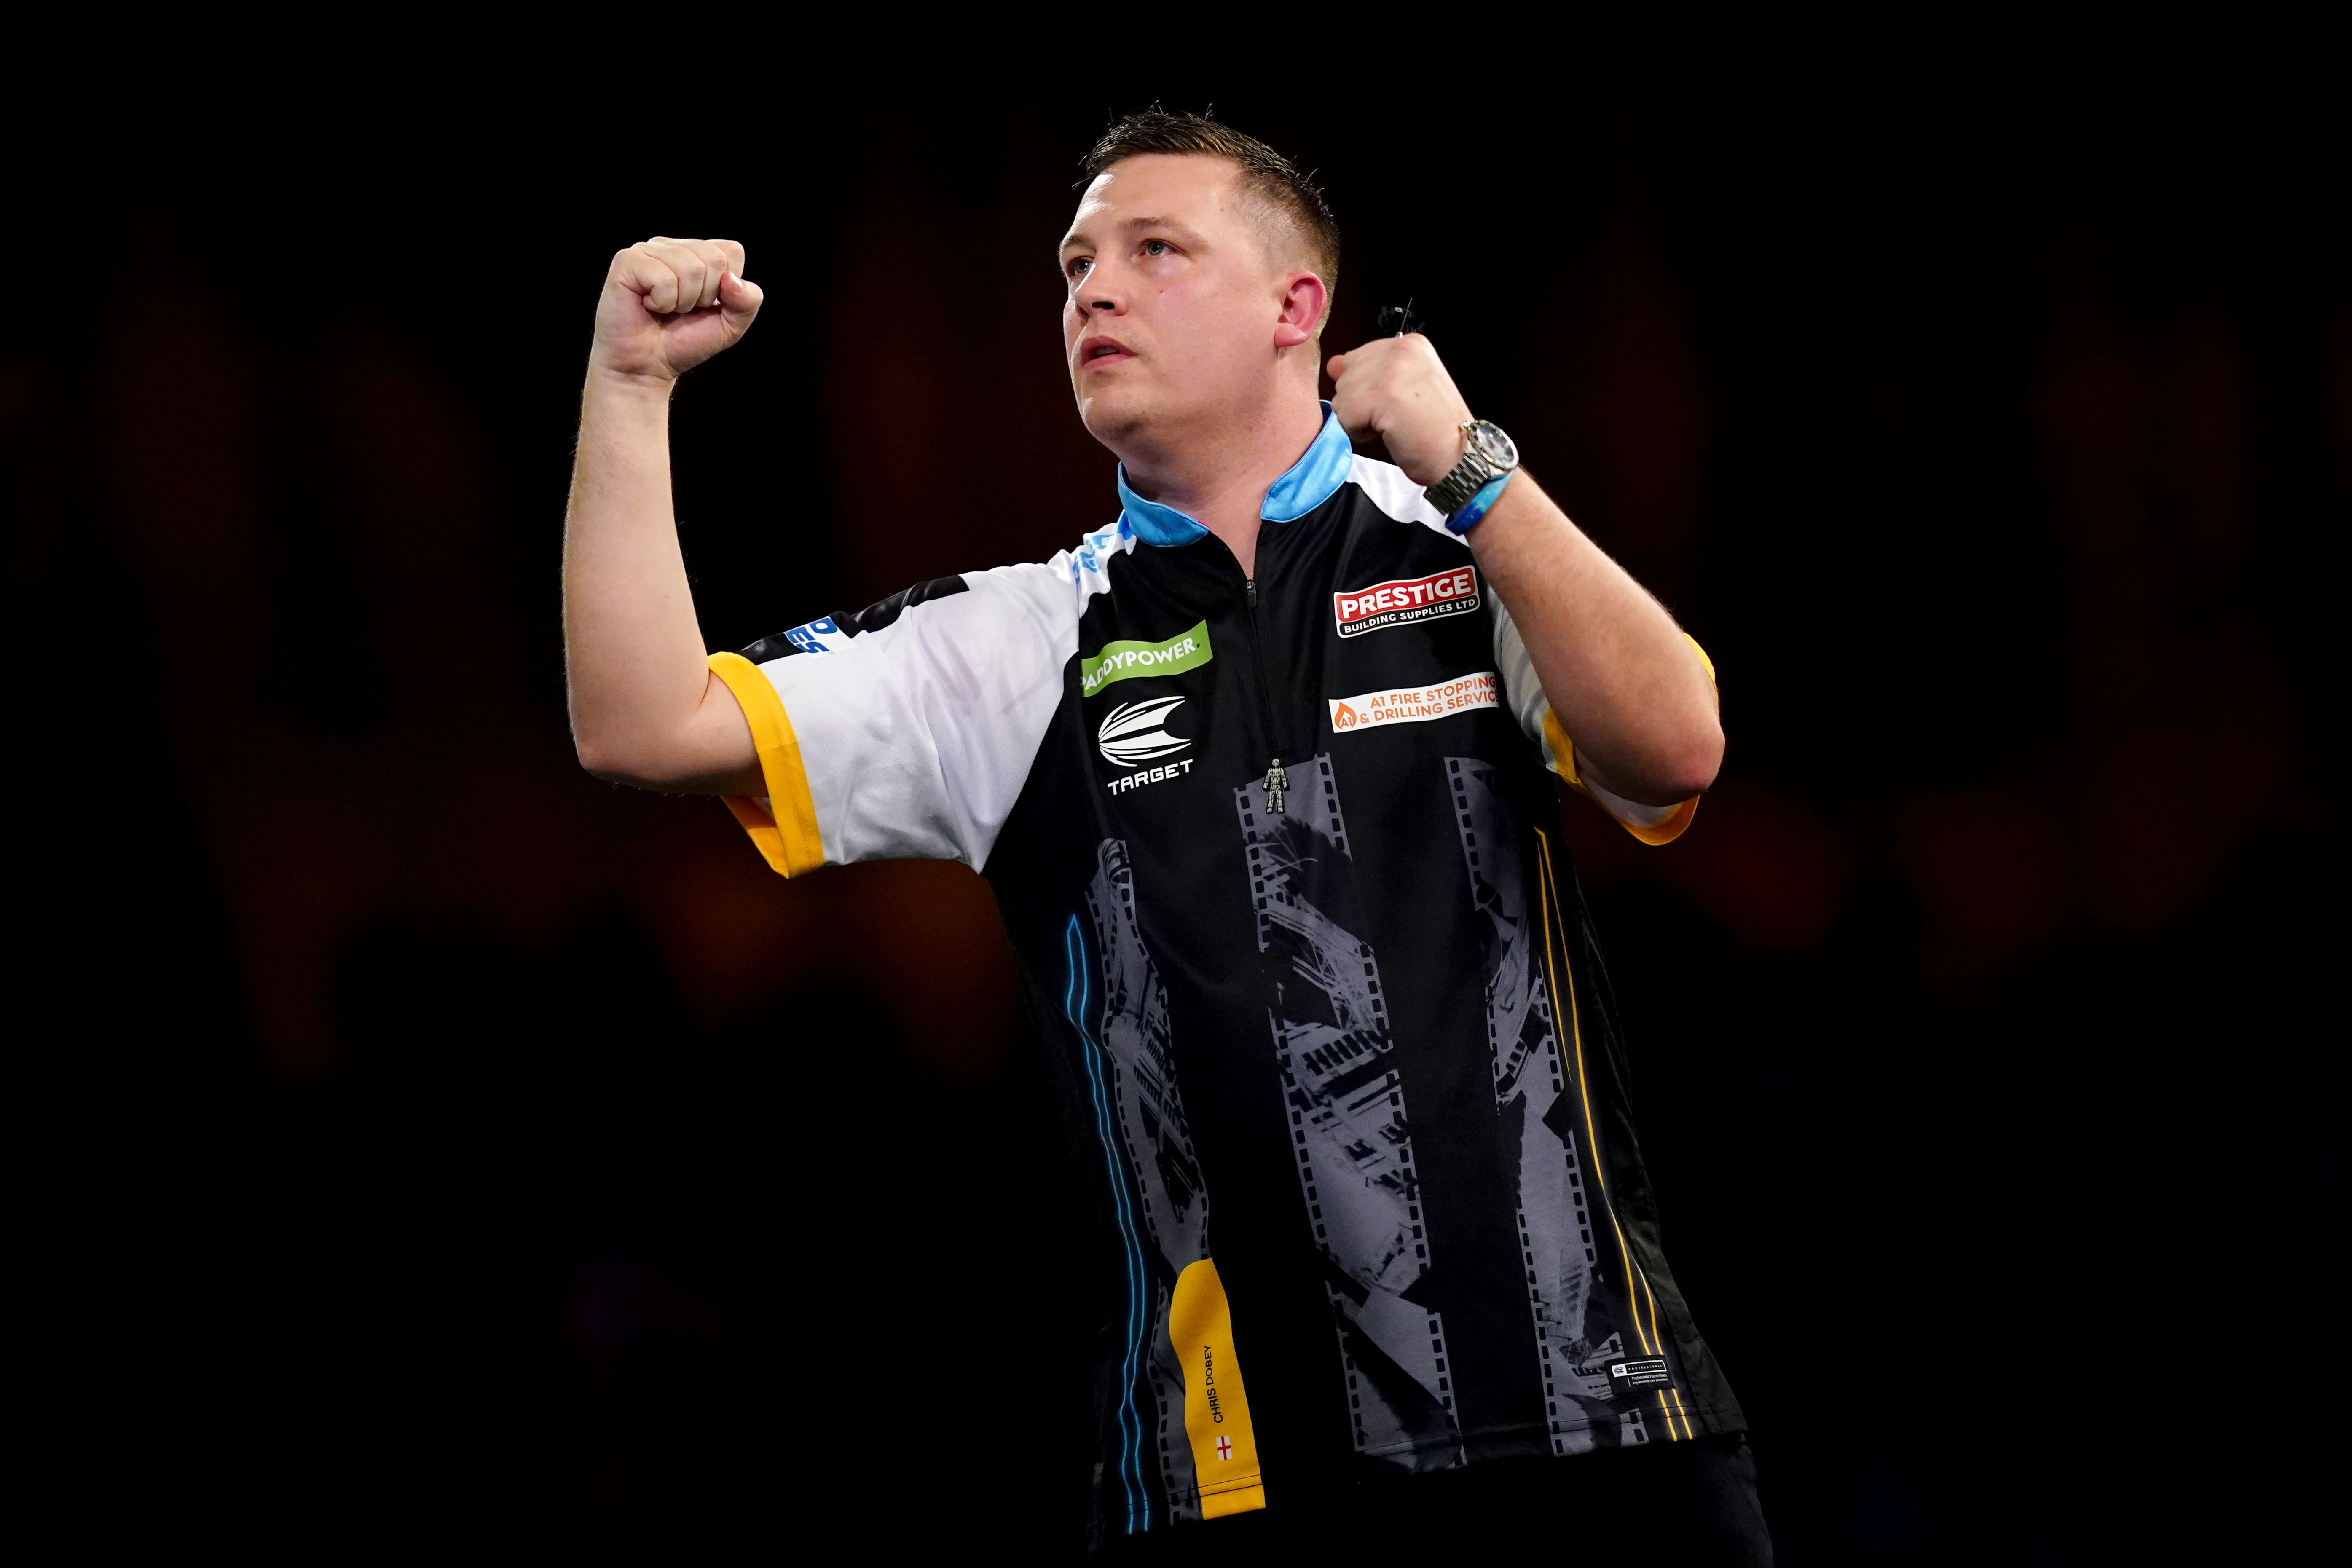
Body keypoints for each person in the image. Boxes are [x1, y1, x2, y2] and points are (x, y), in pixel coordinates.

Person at [563, 110, 1770, 1563]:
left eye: (1153, 250)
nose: (1093, 289)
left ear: (1295, 308)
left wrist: (1477, 464)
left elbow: (1676, 747)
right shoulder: (1017, 642)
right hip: (1236, 1492)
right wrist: (628, 387)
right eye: (1075, 262)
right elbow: (640, 724)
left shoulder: (1469, 541)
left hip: (1608, 1449)